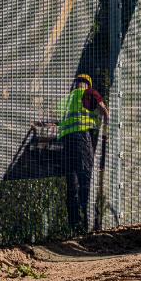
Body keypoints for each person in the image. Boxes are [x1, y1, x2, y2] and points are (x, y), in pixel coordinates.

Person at [57, 73, 109, 235]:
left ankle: (75, 226)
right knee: (86, 180)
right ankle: (90, 222)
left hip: (66, 142)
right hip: (81, 139)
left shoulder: (65, 99)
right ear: (87, 84)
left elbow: (59, 120)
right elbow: (104, 112)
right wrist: (106, 133)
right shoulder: (89, 93)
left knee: (71, 184)